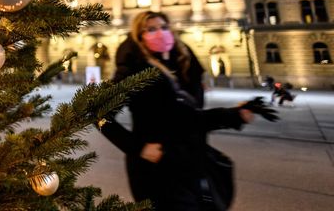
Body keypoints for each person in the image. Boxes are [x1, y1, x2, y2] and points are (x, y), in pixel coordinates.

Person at [97, 11, 277, 211]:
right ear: (140, 37)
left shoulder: (183, 67)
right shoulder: (135, 72)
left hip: (192, 164)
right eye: (151, 29)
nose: (160, 33)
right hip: (157, 170)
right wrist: (137, 148)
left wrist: (235, 114)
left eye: (164, 27)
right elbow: (99, 114)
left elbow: (188, 120)